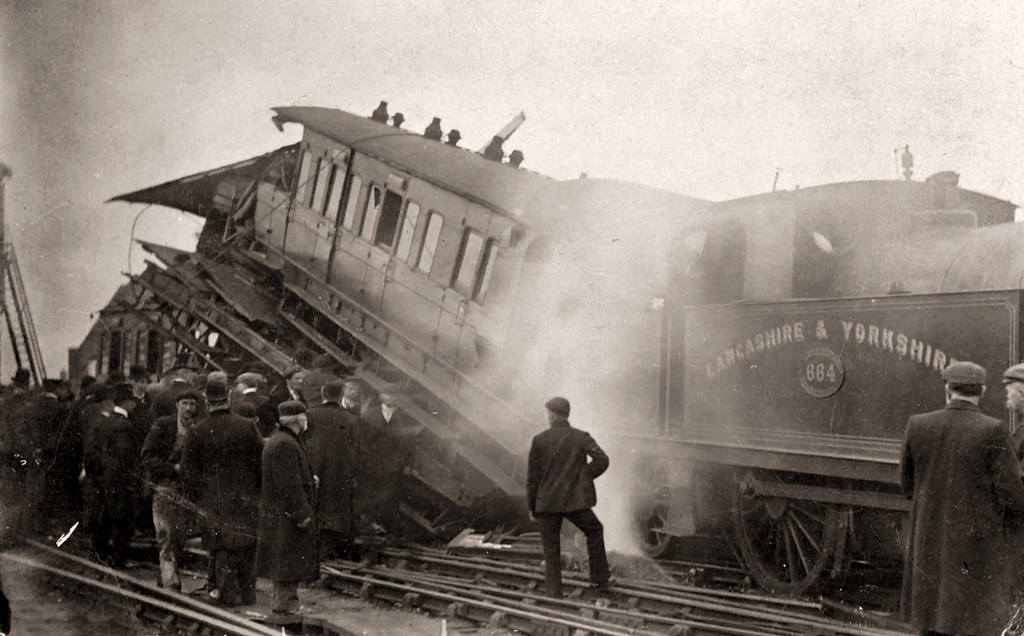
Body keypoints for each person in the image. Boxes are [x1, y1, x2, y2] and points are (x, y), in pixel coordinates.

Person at [900, 361, 1024, 636]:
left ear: (947, 389)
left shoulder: (918, 424)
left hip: (928, 542)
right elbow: (1013, 497)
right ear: (981, 391)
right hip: (975, 550)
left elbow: (906, 485)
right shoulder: (993, 430)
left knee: (931, 622)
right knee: (970, 623)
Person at [180, 372, 262, 606]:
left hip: (213, 501)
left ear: (206, 400)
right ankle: (248, 597)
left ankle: (228, 601)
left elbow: (188, 473)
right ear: (228, 397)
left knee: (222, 549)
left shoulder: (197, 430)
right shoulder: (246, 426)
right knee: (246, 546)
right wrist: (254, 491)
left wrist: (198, 500)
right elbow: (260, 463)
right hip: (245, 499)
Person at [527, 396, 610, 599]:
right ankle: (599, 582)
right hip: (575, 501)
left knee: (551, 548)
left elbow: (532, 478)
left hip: (547, 503)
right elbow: (602, 460)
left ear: (553, 415)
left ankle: (554, 593)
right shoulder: (581, 437)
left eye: (548, 413)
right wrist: (583, 477)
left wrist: (532, 506)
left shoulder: (539, 440)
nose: (547, 416)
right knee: (594, 530)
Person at [256, 400, 318, 615]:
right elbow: (288, 484)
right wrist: (302, 513)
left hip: (281, 514)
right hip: (286, 516)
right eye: (304, 416)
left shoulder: (283, 439)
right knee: (286, 562)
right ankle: (284, 606)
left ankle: (286, 603)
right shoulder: (285, 444)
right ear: (298, 419)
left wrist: (309, 479)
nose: (306, 419)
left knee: (286, 561)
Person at [140, 389, 200, 591]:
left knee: (179, 536)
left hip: (185, 490)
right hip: (163, 486)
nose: (189, 408)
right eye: (185, 403)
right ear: (177, 405)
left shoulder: (197, 429)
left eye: (192, 404)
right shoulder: (162, 425)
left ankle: (164, 577)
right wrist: (172, 468)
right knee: (165, 533)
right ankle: (171, 585)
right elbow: (147, 457)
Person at [81, 383, 139, 566]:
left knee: (103, 518)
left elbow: (89, 453)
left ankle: (100, 555)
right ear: (128, 403)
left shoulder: (100, 422)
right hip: (119, 481)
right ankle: (117, 559)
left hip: (99, 480)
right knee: (123, 520)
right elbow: (127, 457)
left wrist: (94, 475)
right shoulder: (125, 425)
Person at [303, 380, 357, 560]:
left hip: (313, 469)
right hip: (339, 474)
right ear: (341, 395)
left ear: (322, 393)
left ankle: (311, 553)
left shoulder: (310, 414)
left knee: (312, 509)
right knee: (334, 513)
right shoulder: (350, 419)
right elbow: (354, 449)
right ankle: (328, 553)